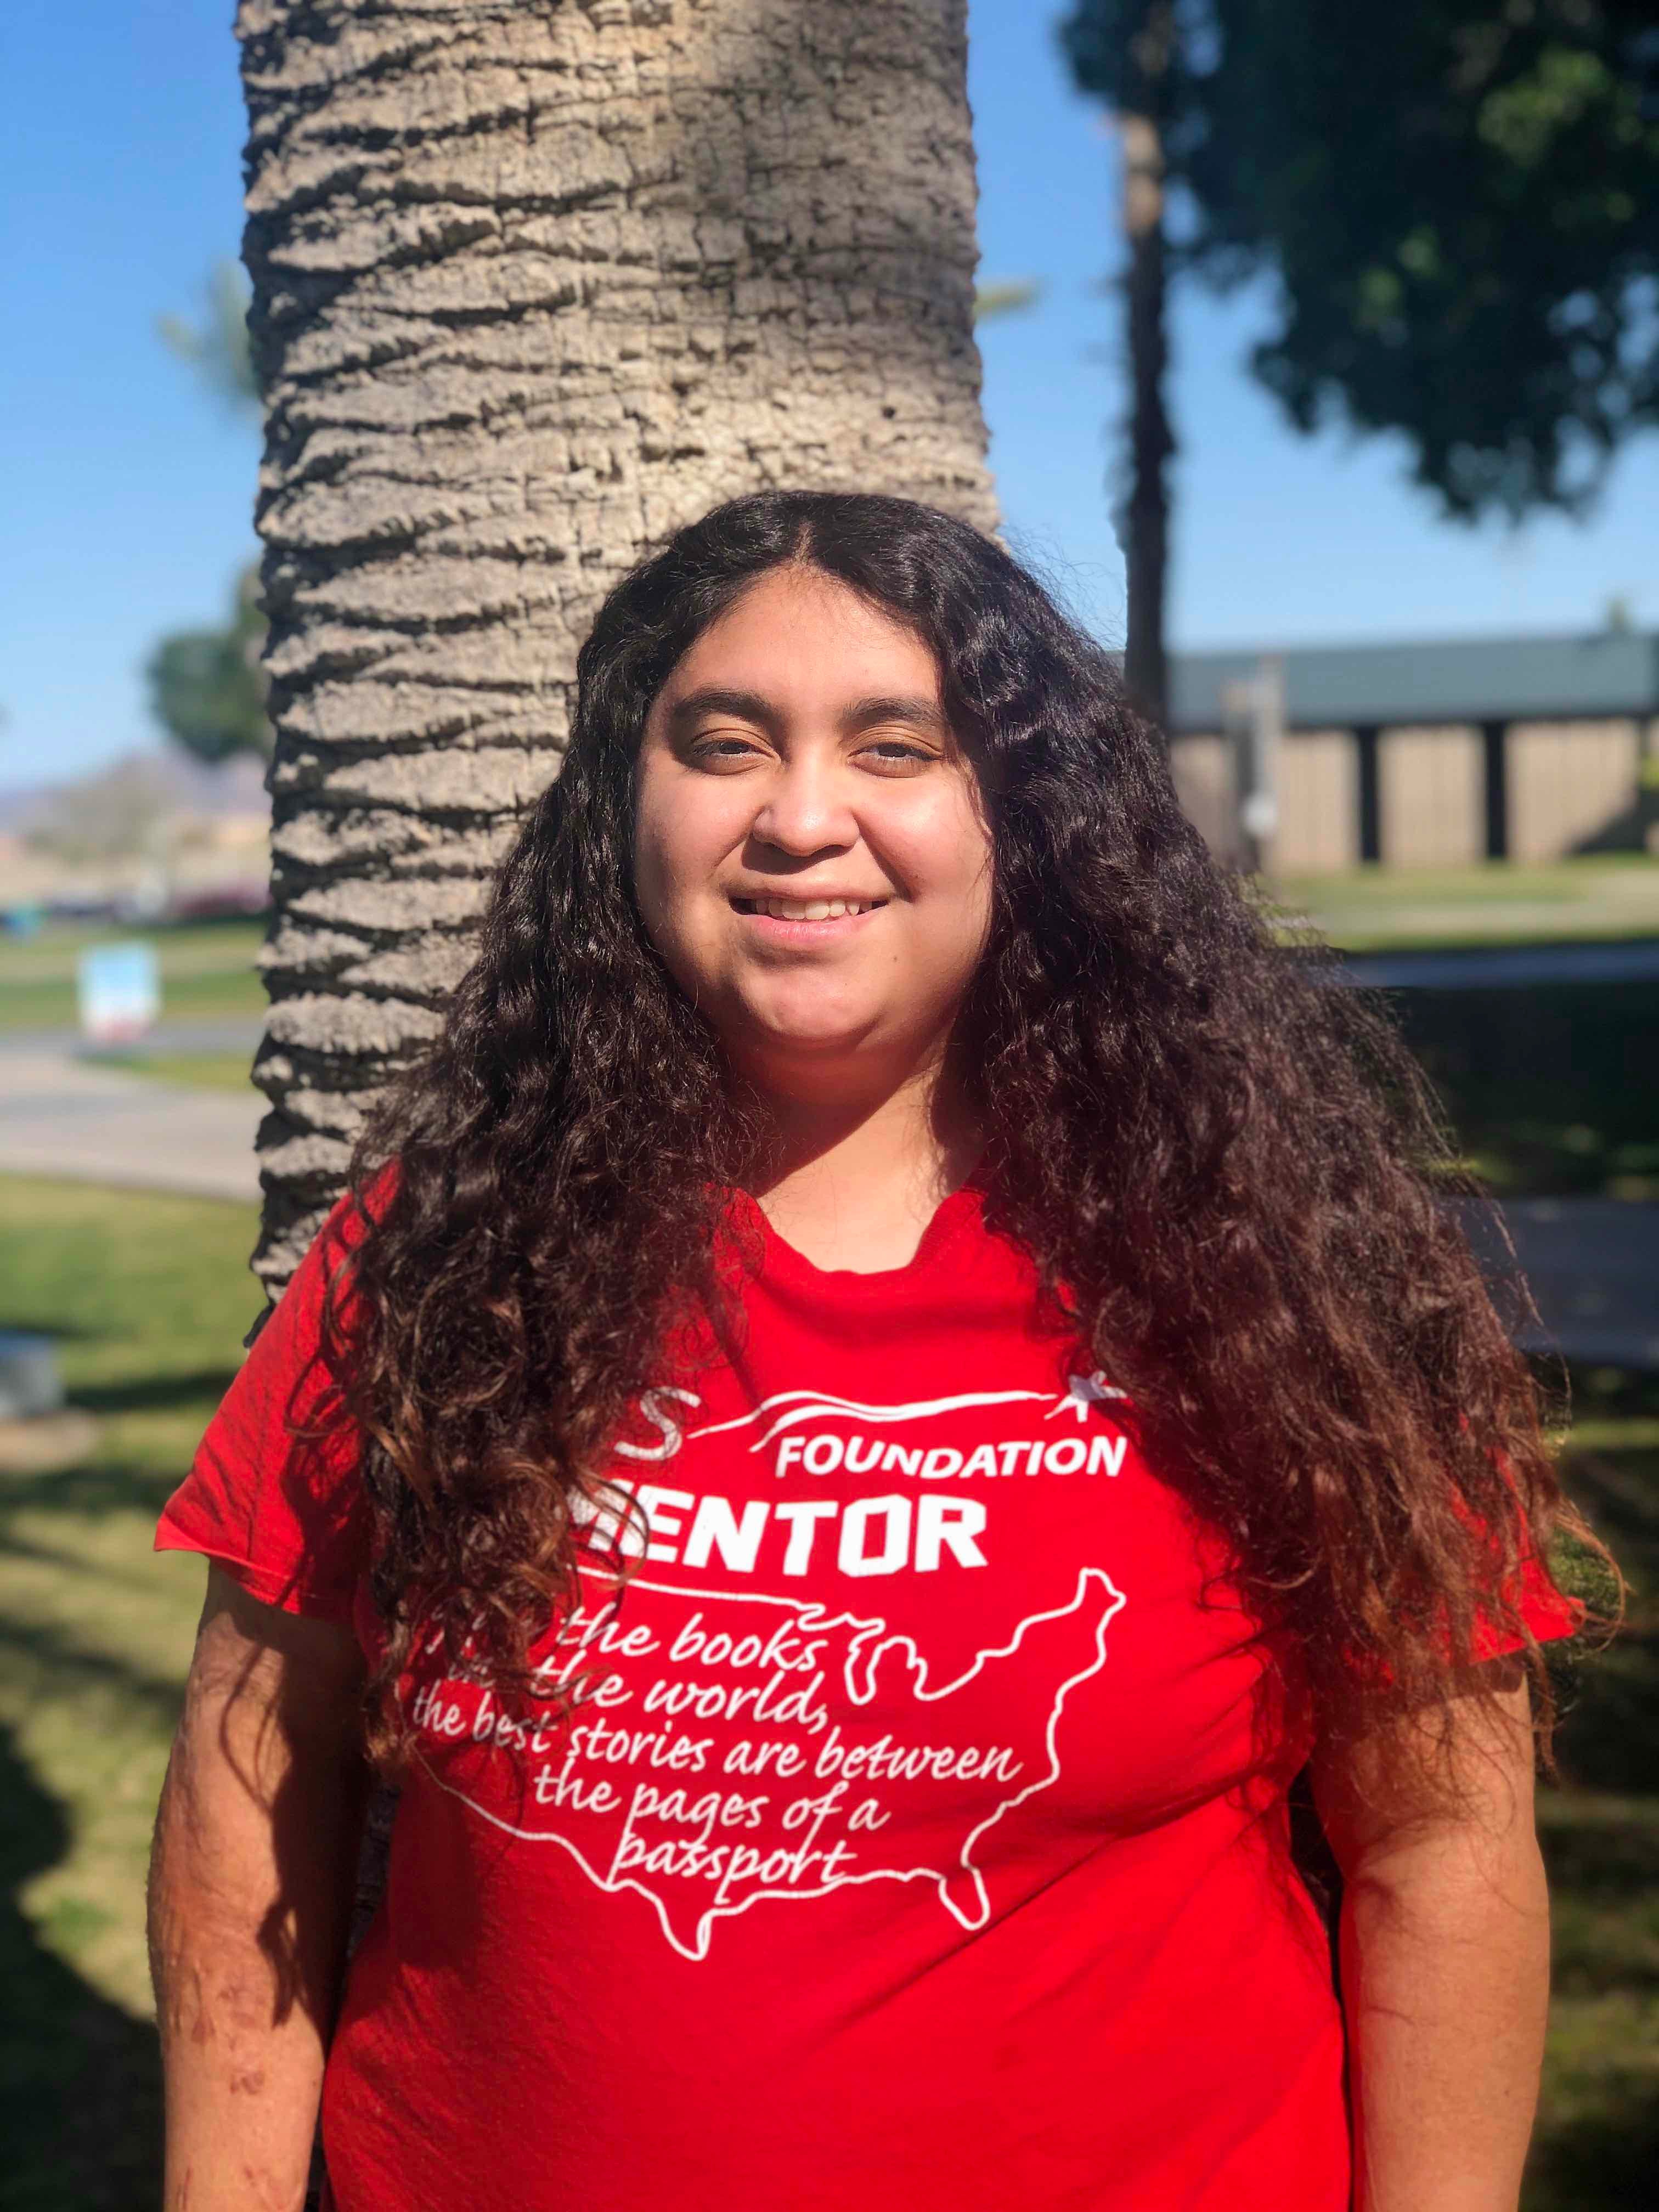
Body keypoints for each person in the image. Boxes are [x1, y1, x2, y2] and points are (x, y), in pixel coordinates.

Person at [149, 490, 1604, 2212]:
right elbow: (251, 1772)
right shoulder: (446, 1253)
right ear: (630, 806)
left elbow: (1445, 1843)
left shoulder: (1262, 1263)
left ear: (1025, 817)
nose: (802, 816)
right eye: (725, 743)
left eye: (897, 746)